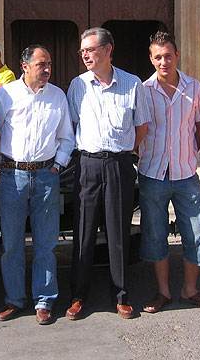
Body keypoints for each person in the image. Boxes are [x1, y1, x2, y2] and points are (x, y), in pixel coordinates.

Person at [66, 27, 151, 321]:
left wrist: (123, 152)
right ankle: (78, 295)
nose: (85, 55)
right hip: (87, 165)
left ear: (108, 50)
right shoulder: (77, 85)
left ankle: (121, 294)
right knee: (84, 231)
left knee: (117, 232)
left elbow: (141, 127)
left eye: (90, 49)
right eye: (82, 51)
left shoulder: (132, 84)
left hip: (118, 165)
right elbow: (72, 125)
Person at [137, 32, 200, 313]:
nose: (164, 61)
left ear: (177, 56)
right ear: (151, 59)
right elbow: (139, 129)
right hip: (153, 173)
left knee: (195, 230)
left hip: (186, 174)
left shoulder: (194, 88)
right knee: (155, 233)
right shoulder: (144, 90)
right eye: (158, 57)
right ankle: (162, 292)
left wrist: (194, 155)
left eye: (168, 55)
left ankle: (190, 290)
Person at [0, 45, 75, 325]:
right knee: (12, 243)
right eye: (41, 64)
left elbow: (67, 137)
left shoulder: (57, 96)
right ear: (24, 66)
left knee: (46, 243)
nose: (47, 68)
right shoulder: (6, 94)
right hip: (12, 177)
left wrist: (57, 165)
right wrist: (2, 162)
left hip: (46, 177)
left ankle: (44, 300)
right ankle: (14, 299)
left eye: (49, 63)